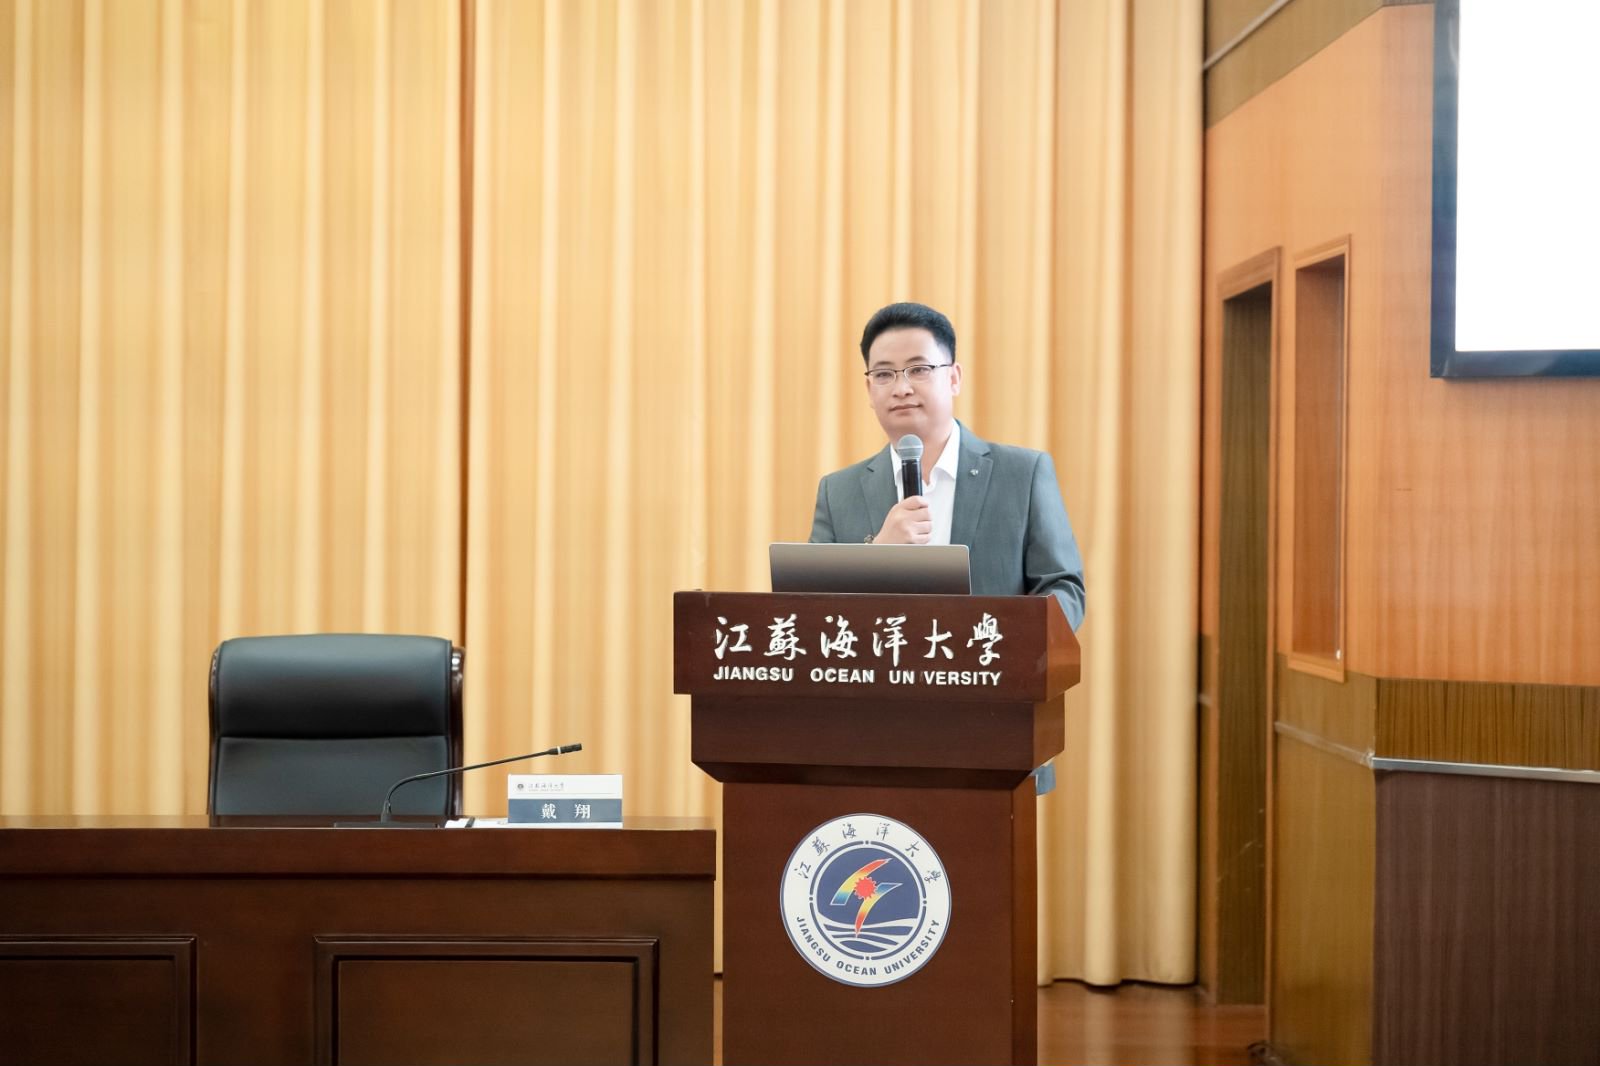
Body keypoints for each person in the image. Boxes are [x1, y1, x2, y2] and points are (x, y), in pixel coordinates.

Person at [809, 301, 1086, 630]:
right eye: (883, 374)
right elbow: (810, 611)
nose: (902, 388)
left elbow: (1063, 589)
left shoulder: (1023, 475)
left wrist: (1005, 642)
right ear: (870, 389)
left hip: (990, 660)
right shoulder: (838, 492)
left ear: (954, 378)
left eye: (919, 369)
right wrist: (876, 557)